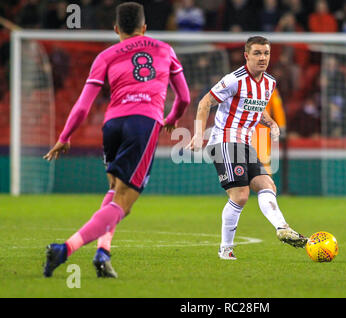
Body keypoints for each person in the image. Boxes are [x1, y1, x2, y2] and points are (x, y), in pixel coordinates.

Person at [42, 2, 190, 278]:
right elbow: (184, 98)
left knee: (114, 192)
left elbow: (84, 106)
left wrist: (65, 137)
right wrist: (171, 119)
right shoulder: (165, 49)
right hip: (143, 122)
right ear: (145, 28)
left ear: (116, 29)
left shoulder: (105, 55)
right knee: (124, 203)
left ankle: (103, 253)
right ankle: (65, 249)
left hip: (112, 124)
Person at [187, 36, 308, 260]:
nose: (263, 58)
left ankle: (283, 228)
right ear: (246, 56)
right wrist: (196, 136)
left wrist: (270, 122)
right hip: (224, 140)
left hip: (244, 143)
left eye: (266, 53)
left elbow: (256, 110)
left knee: (266, 184)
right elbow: (205, 103)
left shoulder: (270, 83)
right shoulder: (234, 80)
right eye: (257, 53)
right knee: (241, 195)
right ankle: (226, 249)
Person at [251, 87, 286, 175]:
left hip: (254, 130)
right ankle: (266, 186)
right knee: (262, 162)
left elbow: (277, 107)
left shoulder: (269, 86)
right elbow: (277, 107)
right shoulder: (269, 85)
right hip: (258, 131)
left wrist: (281, 126)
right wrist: (281, 126)